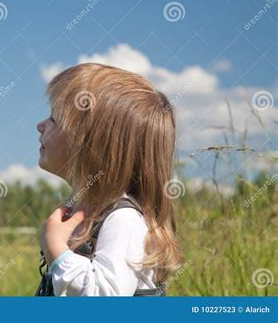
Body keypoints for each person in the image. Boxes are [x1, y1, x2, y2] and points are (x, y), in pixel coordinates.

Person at [35, 63, 183, 296]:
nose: (40, 125)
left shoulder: (123, 219)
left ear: (92, 144)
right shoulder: (89, 214)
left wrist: (56, 249)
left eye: (55, 119)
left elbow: (106, 296)